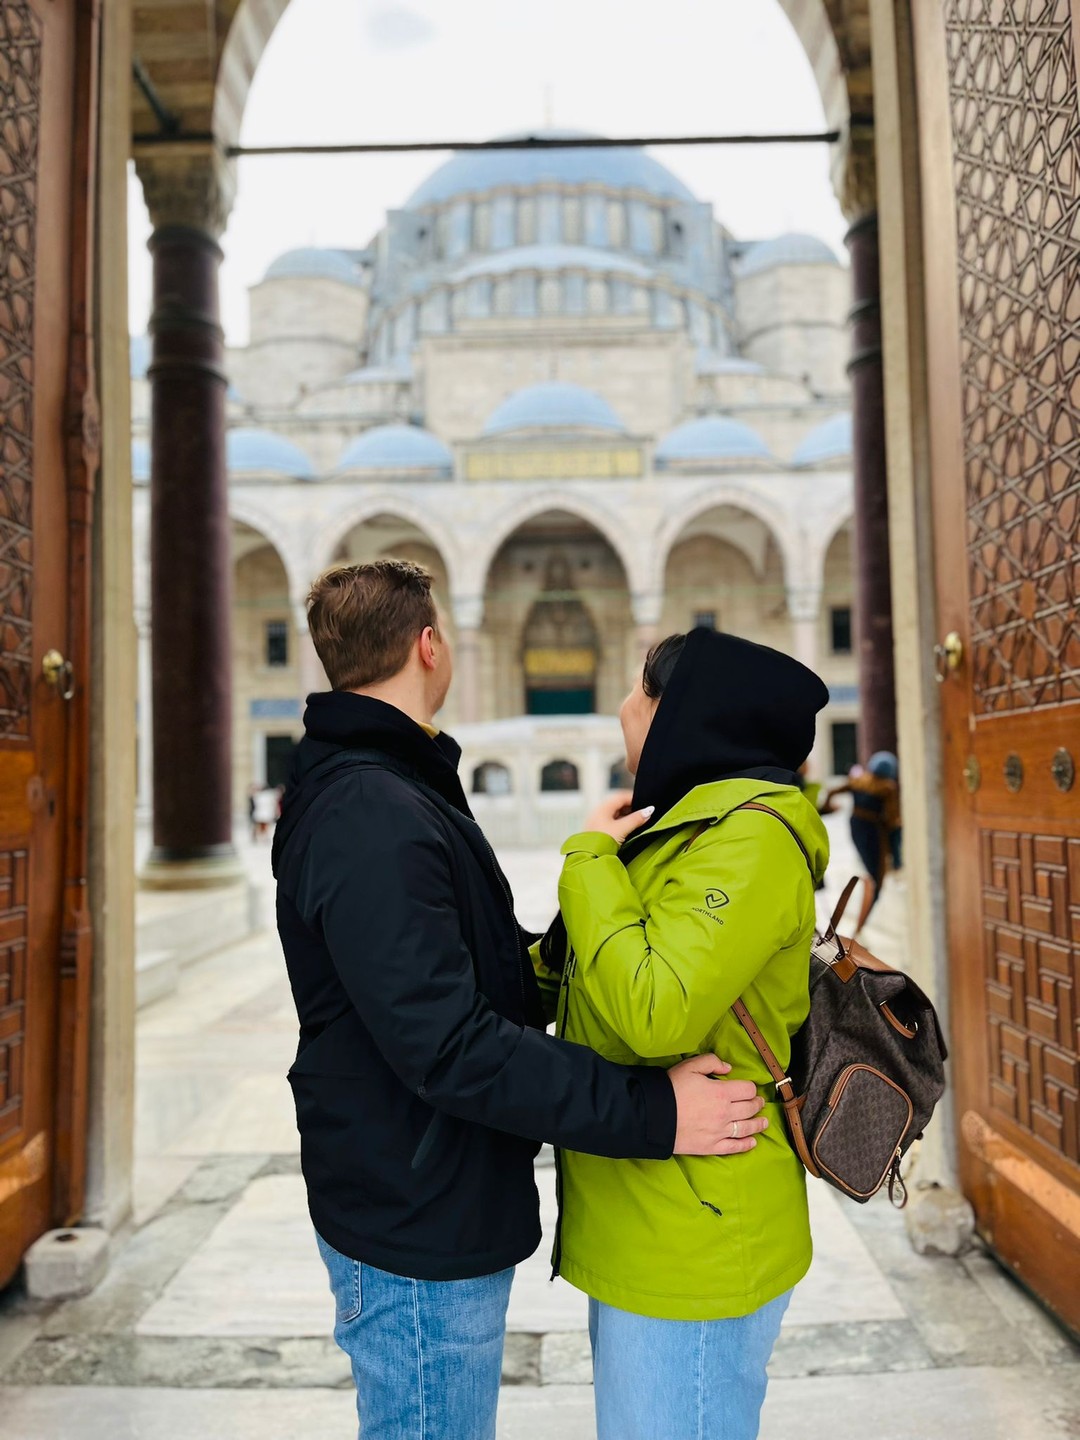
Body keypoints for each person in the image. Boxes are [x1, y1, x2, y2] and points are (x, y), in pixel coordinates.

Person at [271, 564, 769, 1440]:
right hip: (413, 1214)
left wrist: (587, 906)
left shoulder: (393, 787)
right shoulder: (371, 809)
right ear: (430, 645)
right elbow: (451, 1044)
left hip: (427, 1191)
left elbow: (473, 978)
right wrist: (654, 1112)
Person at [536, 627, 830, 1440]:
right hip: (645, 1218)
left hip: (695, 1236)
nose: (623, 706)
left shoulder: (753, 840)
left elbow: (652, 1007)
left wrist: (588, 857)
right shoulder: (680, 831)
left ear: (683, 712)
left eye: (640, 691)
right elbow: (587, 974)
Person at [820, 750, 901, 933]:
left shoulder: (859, 781)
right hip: (875, 834)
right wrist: (896, 854)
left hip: (856, 828)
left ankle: (858, 925)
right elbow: (892, 820)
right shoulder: (887, 788)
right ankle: (860, 926)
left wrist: (827, 807)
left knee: (866, 876)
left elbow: (832, 791)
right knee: (876, 880)